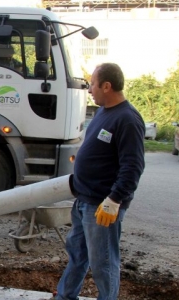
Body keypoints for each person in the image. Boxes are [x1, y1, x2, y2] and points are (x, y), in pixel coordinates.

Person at [55, 63, 145, 300]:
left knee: (103, 264)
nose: (90, 89)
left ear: (107, 86)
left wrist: (114, 200)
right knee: (77, 255)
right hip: (84, 200)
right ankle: (65, 297)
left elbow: (133, 166)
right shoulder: (103, 112)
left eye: (93, 84)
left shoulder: (127, 119)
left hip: (102, 206)